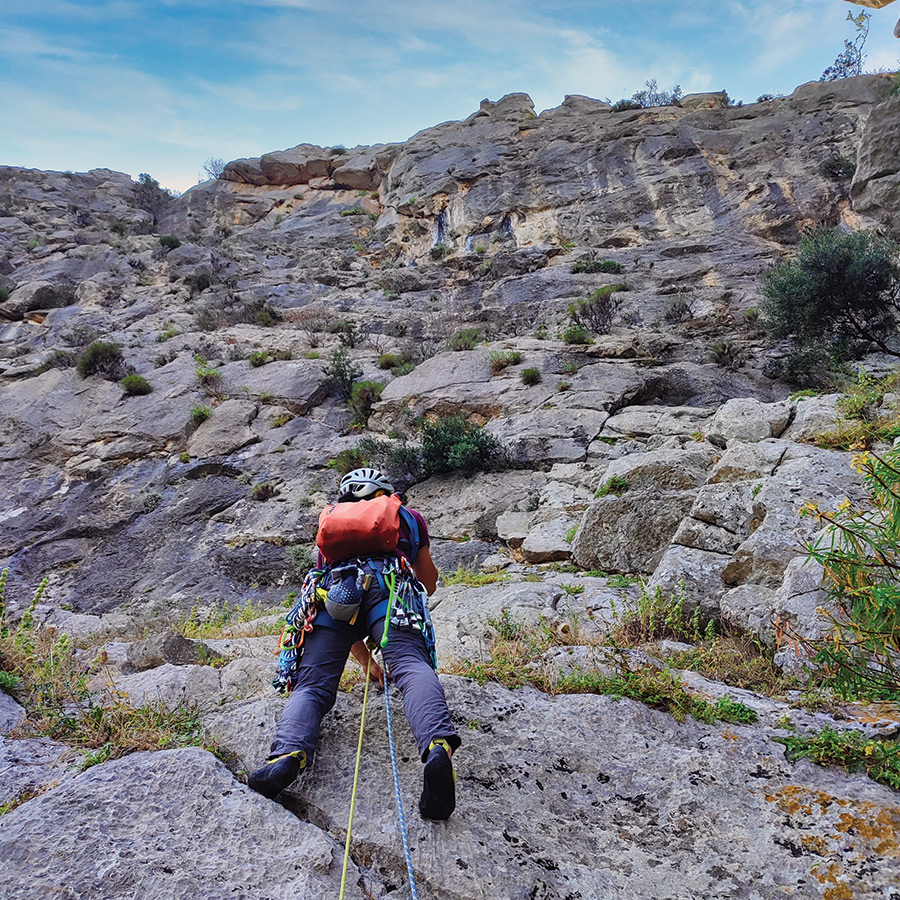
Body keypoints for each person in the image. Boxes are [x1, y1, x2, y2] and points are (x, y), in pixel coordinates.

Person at [248, 468, 461, 820]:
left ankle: (286, 756)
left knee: (312, 685)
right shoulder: (408, 517)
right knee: (409, 665)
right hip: (390, 588)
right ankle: (438, 749)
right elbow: (429, 581)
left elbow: (344, 611)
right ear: (385, 493)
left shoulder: (334, 523)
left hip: (334, 593)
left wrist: (366, 664)